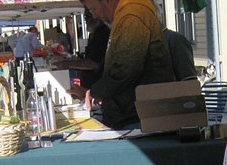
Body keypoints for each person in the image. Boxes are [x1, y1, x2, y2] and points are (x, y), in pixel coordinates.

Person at [73, 0, 176, 128]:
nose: (94, 15)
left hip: (138, 117)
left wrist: (95, 92)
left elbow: (124, 70)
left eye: (94, 9)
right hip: (134, 114)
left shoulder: (132, 16)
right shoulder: (125, 16)